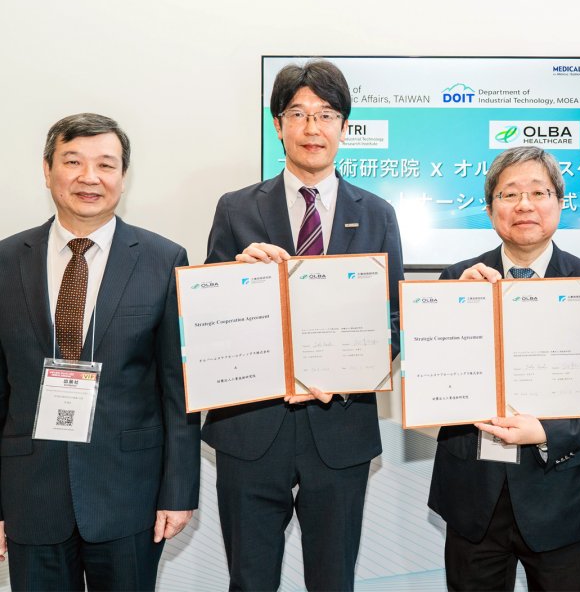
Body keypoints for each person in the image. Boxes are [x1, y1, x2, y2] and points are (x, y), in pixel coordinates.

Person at [202, 59, 403, 591]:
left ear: (344, 127)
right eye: (298, 113)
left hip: (339, 428)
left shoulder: (377, 213)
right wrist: (236, 275)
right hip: (251, 426)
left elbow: (394, 319)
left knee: (333, 579)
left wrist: (350, 371)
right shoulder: (235, 209)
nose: (312, 127)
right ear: (278, 125)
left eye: (326, 114)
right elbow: (209, 319)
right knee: (249, 581)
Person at [0, 113, 200, 590]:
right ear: (47, 170)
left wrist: (178, 492)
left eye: (106, 165)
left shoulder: (163, 260)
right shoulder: (5, 262)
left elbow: (178, 390)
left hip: (129, 494)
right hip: (30, 494)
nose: (90, 177)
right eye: (73, 162)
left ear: (123, 177)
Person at [427, 146, 580, 591]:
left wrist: (546, 431)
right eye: (509, 194)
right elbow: (433, 374)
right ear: (489, 208)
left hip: (560, 491)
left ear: (560, 202)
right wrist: (455, 306)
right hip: (474, 493)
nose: (524, 205)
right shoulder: (458, 279)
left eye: (538, 192)